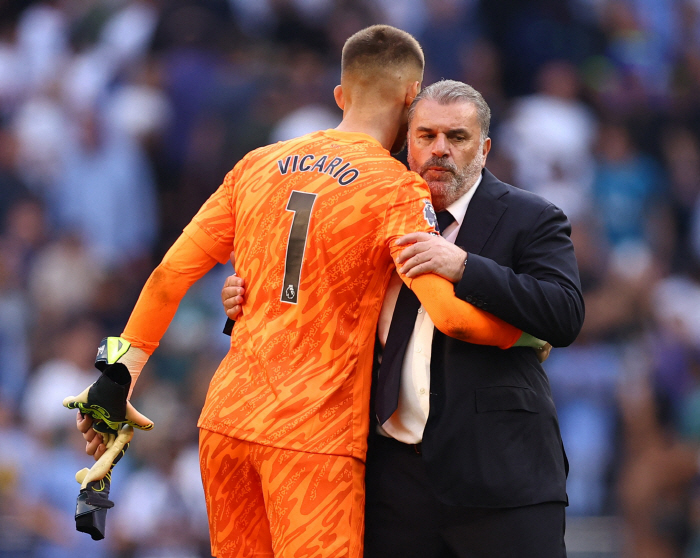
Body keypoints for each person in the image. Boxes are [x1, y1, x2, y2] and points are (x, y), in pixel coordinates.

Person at [65, 28, 545, 558]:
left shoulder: (255, 164)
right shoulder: (395, 187)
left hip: (226, 423)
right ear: (412, 99)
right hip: (312, 438)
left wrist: (122, 375)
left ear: (340, 95)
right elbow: (449, 318)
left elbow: (167, 276)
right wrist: (522, 335)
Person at [223, 80, 584, 558]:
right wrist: (246, 297)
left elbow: (564, 312)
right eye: (426, 136)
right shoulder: (366, 213)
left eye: (457, 138)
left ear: (485, 148)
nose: (440, 150)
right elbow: (308, 296)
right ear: (405, 143)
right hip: (396, 483)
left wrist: (465, 266)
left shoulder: (530, 216)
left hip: (502, 478)